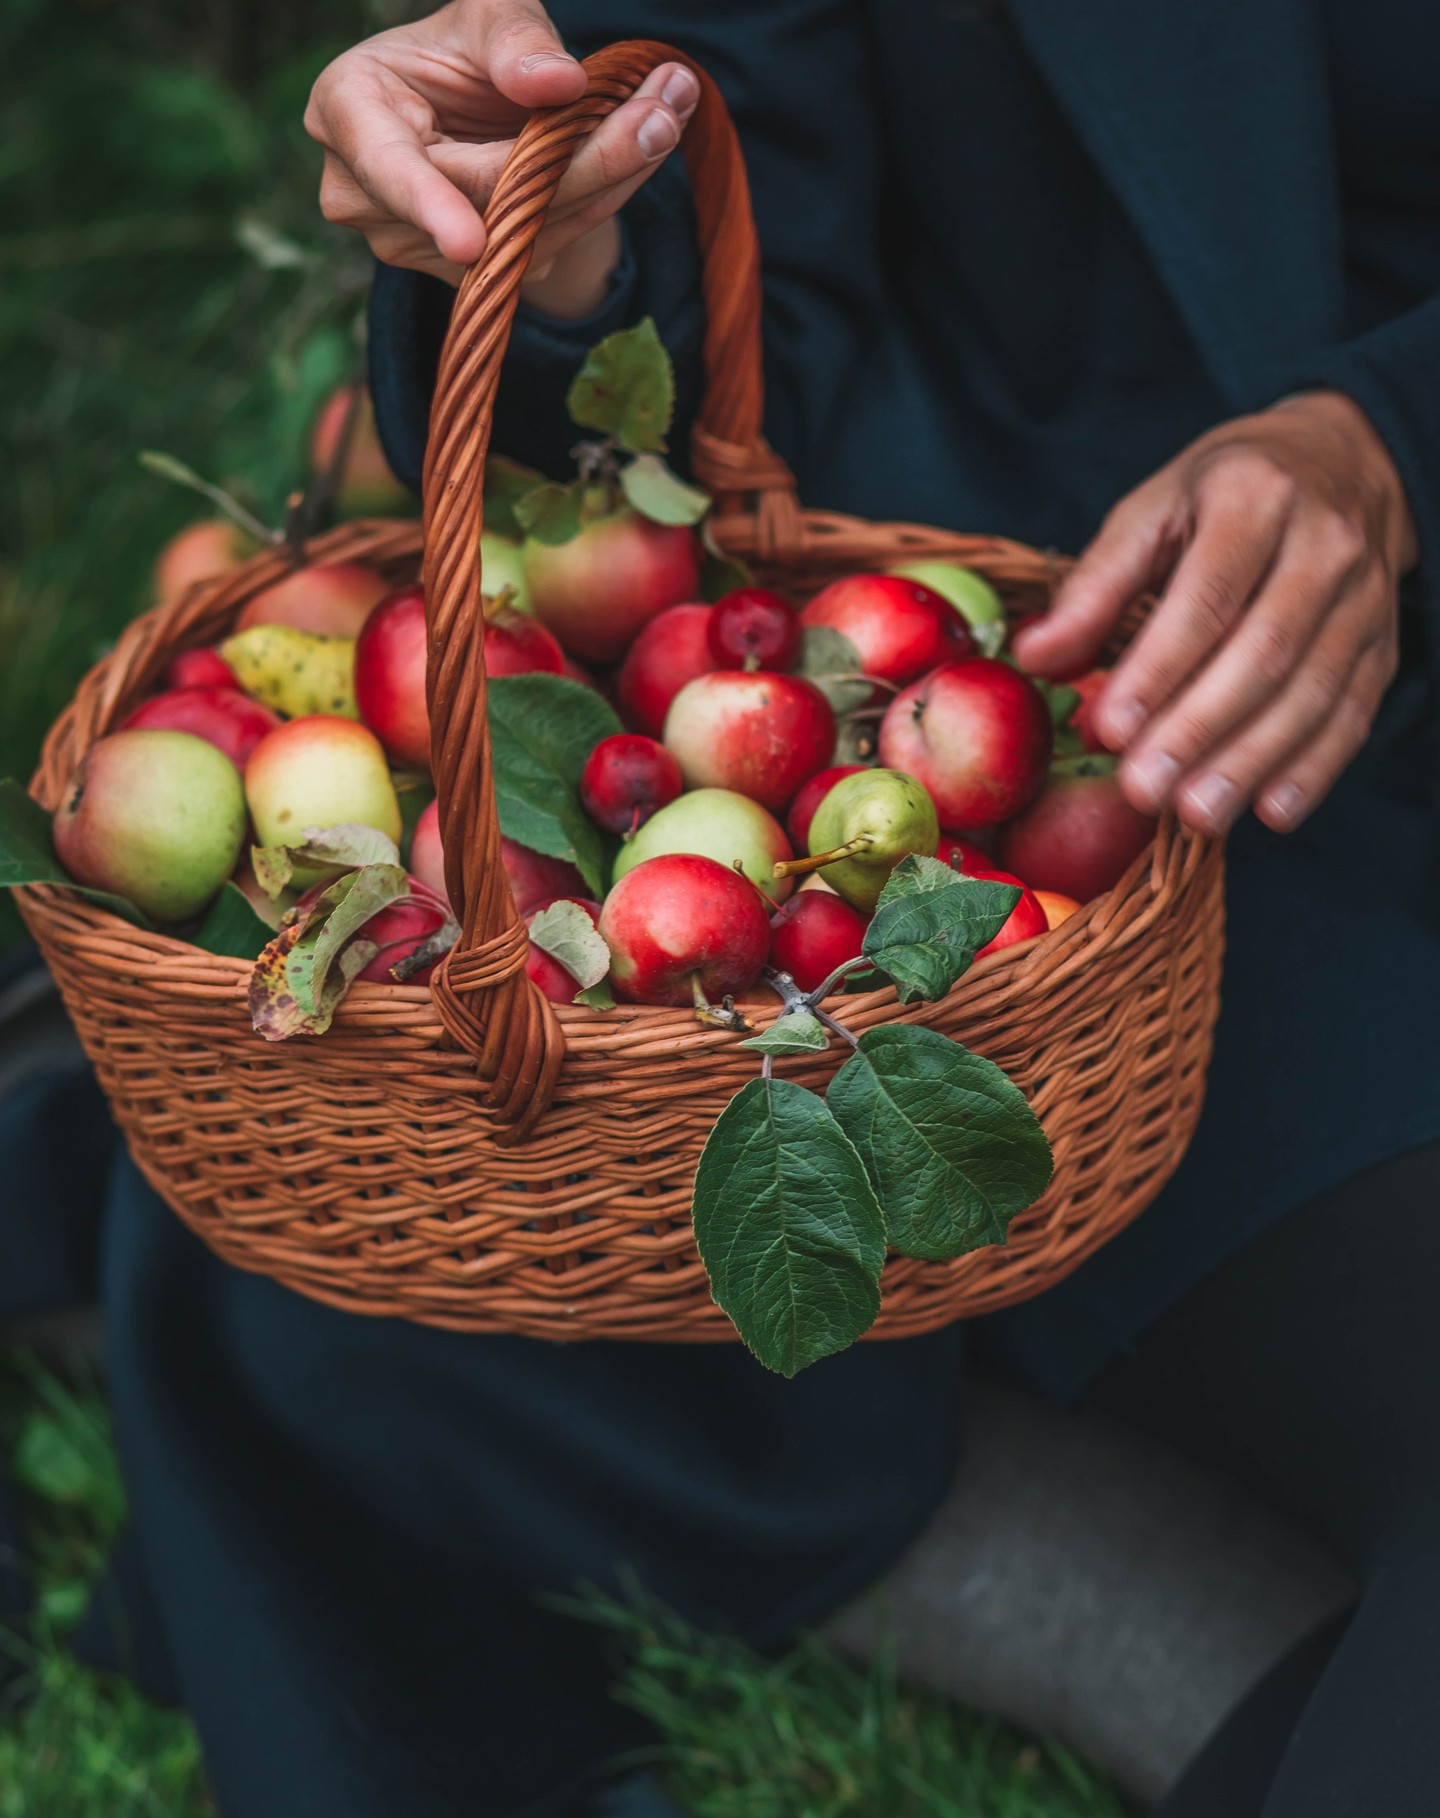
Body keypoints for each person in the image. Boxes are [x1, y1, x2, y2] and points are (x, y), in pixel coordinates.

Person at [1, 3, 1436, 1815]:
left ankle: (1143, 1590)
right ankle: (1140, 1597)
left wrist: (1395, 440)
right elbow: (731, 294)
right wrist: (571, 246)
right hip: (1092, 758)